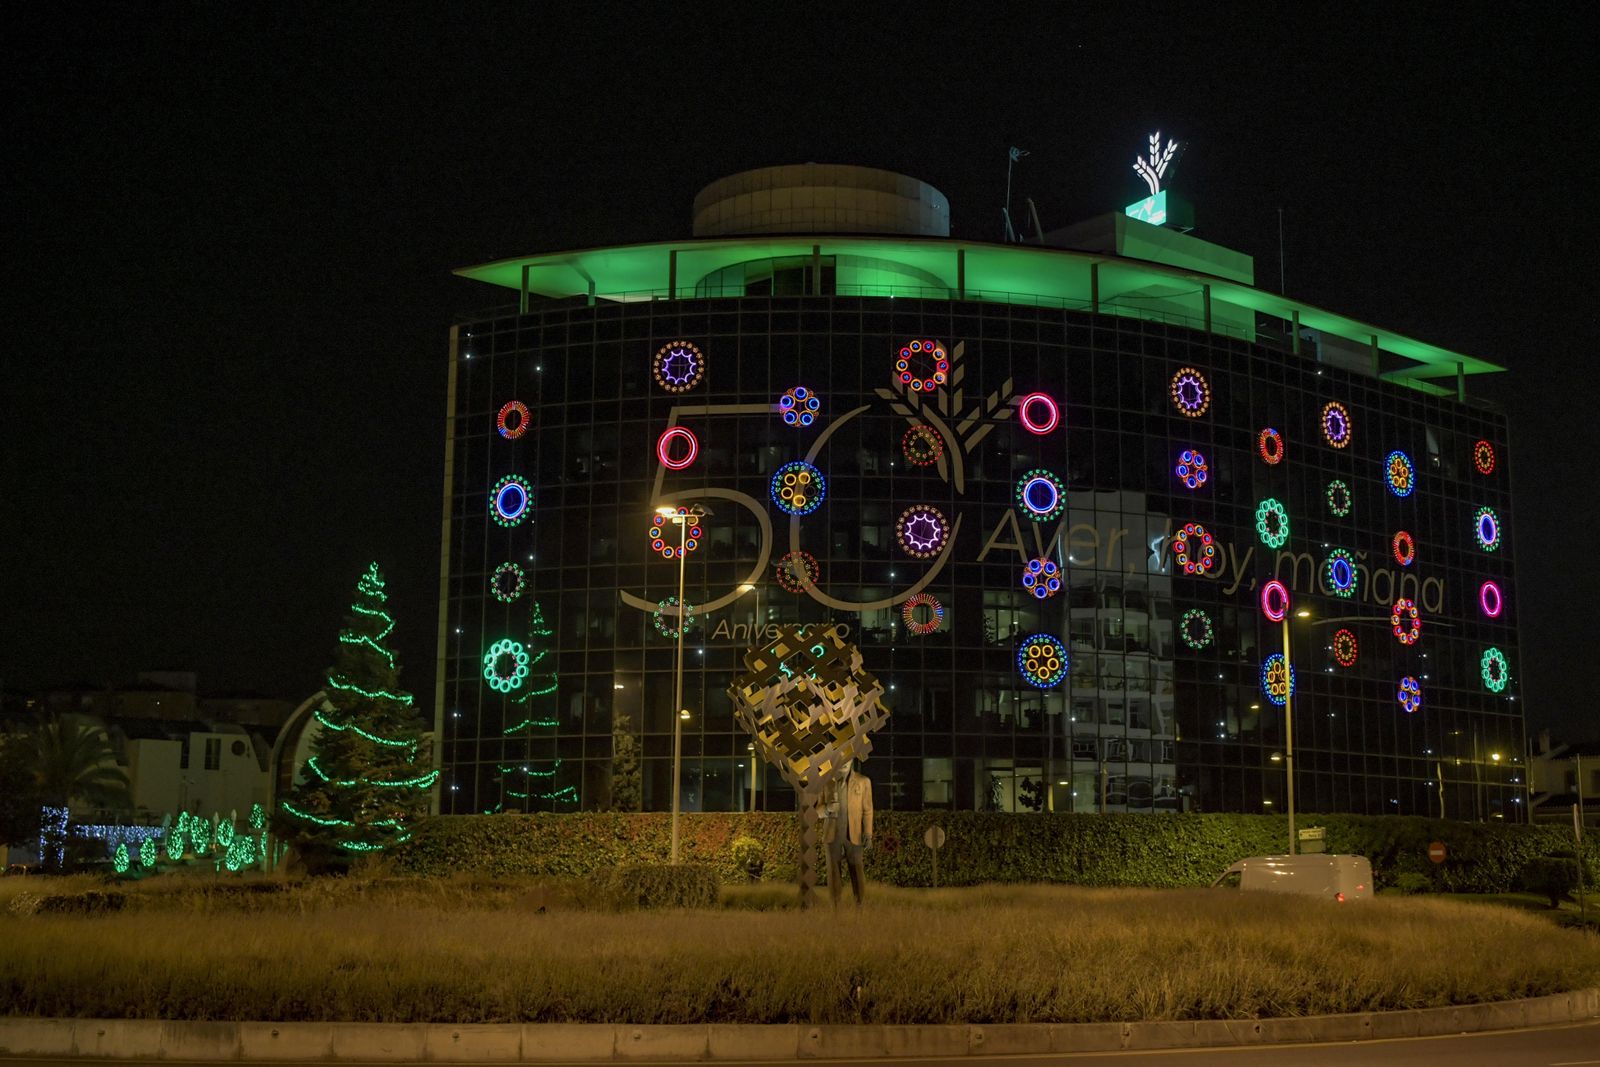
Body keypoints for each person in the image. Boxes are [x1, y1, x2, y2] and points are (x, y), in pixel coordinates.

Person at [821, 758, 872, 906]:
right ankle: (835, 907)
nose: (843, 762)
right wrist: (827, 809)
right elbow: (817, 809)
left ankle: (860, 905)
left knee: (857, 870)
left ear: (852, 760)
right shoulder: (826, 781)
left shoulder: (863, 782)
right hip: (832, 836)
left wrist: (868, 834)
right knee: (833, 873)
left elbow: (868, 810)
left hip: (854, 835)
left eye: (847, 759)